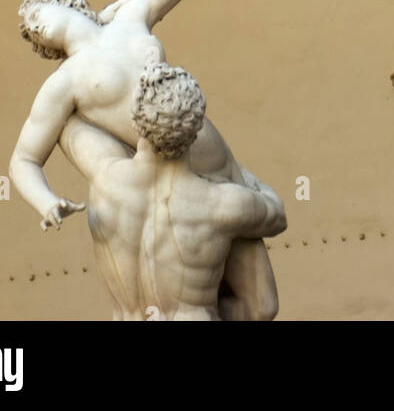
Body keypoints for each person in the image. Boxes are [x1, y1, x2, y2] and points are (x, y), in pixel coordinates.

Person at [9, 0, 278, 319]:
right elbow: (25, 158)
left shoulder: (133, 14)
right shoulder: (65, 83)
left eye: (37, 11)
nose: (35, 24)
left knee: (262, 309)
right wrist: (44, 201)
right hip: (176, 183)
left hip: (220, 165)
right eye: (31, 30)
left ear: (65, 0)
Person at [57, 61, 286, 322]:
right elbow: (277, 215)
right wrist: (232, 168)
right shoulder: (224, 205)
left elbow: (66, 124)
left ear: (135, 119)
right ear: (197, 129)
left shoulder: (105, 180)